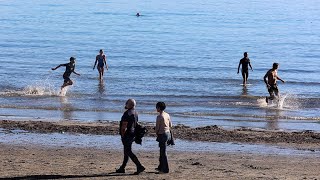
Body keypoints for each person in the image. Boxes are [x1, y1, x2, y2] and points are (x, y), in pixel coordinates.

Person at [116, 99, 145, 175]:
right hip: (133, 134)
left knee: (128, 151)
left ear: (130, 105)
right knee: (127, 151)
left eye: (127, 103)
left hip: (127, 135)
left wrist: (122, 135)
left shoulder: (127, 114)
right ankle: (122, 167)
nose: (125, 104)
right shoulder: (135, 112)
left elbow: (124, 127)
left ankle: (139, 166)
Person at [155, 102, 172, 174]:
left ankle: (165, 169)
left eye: (156, 107)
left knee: (163, 152)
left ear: (159, 108)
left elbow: (157, 128)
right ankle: (160, 167)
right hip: (168, 133)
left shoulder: (159, 117)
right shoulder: (167, 114)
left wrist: (157, 133)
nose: (156, 108)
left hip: (162, 134)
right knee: (162, 151)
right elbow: (170, 124)